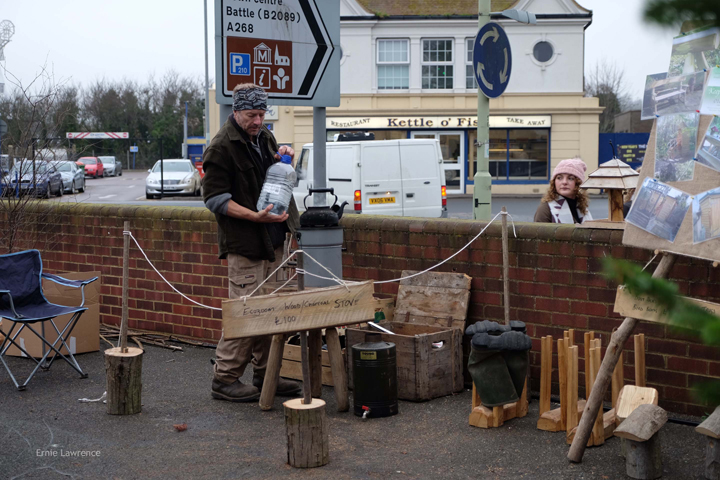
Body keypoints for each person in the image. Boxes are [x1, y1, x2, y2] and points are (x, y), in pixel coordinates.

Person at [202, 83, 302, 402]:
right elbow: (215, 199)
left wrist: (294, 230)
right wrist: (253, 216)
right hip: (244, 244)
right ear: (236, 111)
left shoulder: (265, 137)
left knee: (270, 311)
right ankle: (225, 379)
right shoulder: (221, 146)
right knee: (245, 313)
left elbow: (278, 180)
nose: (258, 121)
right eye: (251, 115)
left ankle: (265, 373)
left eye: (261, 114)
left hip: (273, 241)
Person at [534, 158, 593, 224]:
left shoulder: (582, 208)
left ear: (578, 183)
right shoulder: (546, 209)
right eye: (559, 178)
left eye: (570, 178)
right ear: (554, 182)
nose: (564, 182)